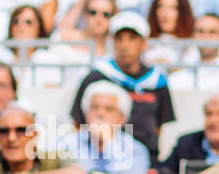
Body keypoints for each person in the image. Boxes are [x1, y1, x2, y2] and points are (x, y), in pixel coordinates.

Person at [69, 11, 174, 159]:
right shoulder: (96, 76)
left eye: (132, 38)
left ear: (144, 43)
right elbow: (79, 123)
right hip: (103, 159)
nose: (125, 45)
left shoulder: (157, 81)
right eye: (119, 39)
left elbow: (158, 128)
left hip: (146, 158)